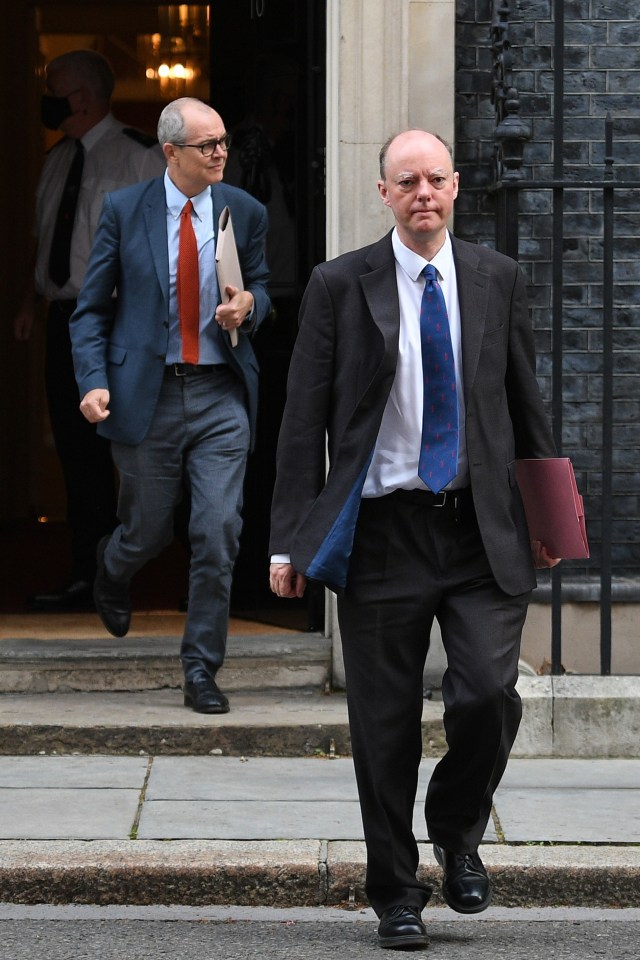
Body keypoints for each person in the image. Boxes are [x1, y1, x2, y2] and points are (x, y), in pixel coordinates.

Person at [269, 130, 560, 949]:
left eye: (436, 178)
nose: (423, 192)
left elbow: (526, 404)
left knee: (486, 696)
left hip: (479, 532)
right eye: (408, 180)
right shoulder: (338, 284)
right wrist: (288, 542)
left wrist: (548, 516)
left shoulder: (495, 277)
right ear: (384, 192)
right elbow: (301, 423)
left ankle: (457, 830)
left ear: (456, 186)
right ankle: (396, 891)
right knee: (384, 725)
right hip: (382, 533)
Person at [70, 97, 270, 714]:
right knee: (149, 530)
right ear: (171, 152)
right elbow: (92, 309)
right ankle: (113, 564)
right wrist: (93, 380)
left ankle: (200, 668)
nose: (220, 153)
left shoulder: (245, 210)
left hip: (218, 394)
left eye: (223, 142)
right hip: (145, 394)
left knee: (218, 531)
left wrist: (250, 307)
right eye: (207, 145)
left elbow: (262, 286)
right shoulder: (124, 211)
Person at [14, 49, 165, 612]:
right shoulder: (57, 160)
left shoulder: (140, 158)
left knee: (133, 452)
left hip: (124, 323)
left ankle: (130, 571)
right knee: (76, 455)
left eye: (52, 86)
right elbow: (47, 240)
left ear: (79, 97)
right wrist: (31, 299)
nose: (46, 96)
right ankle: (88, 574)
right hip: (66, 323)